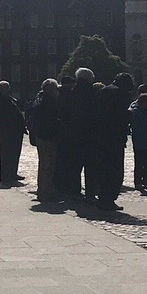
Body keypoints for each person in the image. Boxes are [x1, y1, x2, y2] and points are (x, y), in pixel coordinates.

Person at [92, 72, 134, 210]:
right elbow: (121, 117)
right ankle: (108, 199)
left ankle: (102, 197)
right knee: (115, 170)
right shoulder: (121, 94)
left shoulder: (103, 91)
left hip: (100, 135)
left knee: (103, 168)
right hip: (114, 137)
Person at [57, 68, 96, 200]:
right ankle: (90, 192)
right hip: (88, 134)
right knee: (90, 166)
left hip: (72, 135)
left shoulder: (70, 93)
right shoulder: (91, 92)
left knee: (74, 166)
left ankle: (74, 191)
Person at [29, 78, 62, 202]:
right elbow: (53, 120)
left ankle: (42, 190)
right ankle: (46, 192)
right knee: (48, 165)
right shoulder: (50, 102)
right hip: (48, 137)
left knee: (43, 164)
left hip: (40, 136)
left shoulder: (38, 100)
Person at [0, 81, 26, 186]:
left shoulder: (11, 100)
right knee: (6, 154)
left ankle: (13, 173)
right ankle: (5, 175)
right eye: (5, 89)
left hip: (15, 131)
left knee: (15, 153)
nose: (7, 90)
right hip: (6, 132)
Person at [129, 93, 147, 192]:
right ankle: (138, 182)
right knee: (139, 163)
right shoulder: (135, 112)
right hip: (139, 141)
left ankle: (146, 180)